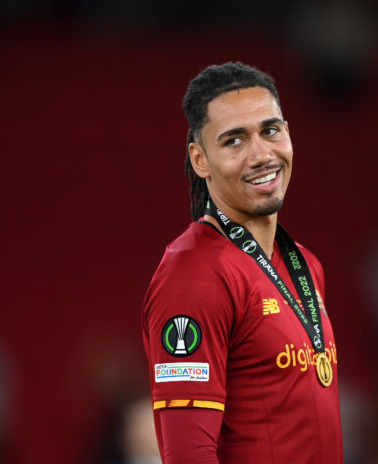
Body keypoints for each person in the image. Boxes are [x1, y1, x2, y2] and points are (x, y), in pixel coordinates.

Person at [142, 62, 343, 463]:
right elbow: (188, 456)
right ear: (200, 160)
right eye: (234, 140)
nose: (261, 155)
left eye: (270, 131)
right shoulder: (195, 275)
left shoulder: (305, 265)